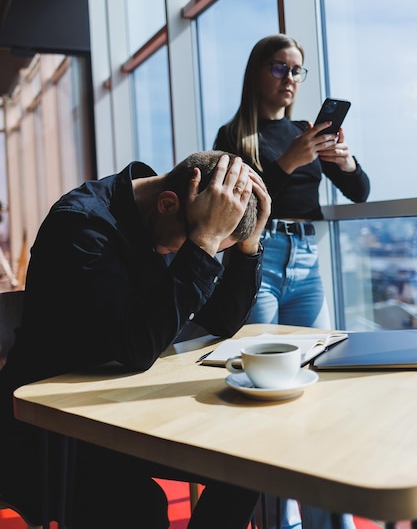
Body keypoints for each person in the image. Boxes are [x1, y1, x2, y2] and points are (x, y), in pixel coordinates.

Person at [0, 150, 271, 529]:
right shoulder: (81, 227)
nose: (187, 254)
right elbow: (136, 349)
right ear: (167, 203)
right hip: (51, 430)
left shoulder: (167, 218)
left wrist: (247, 246)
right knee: (138, 507)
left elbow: (222, 320)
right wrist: (203, 242)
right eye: (190, 245)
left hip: (125, 410)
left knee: (251, 466)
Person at [213, 34, 370, 529]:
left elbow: (361, 192)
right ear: (257, 72)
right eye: (279, 68)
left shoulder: (307, 131)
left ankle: (328, 518)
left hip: (306, 259)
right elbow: (246, 208)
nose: (289, 80)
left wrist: (344, 163)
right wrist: (289, 162)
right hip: (258, 257)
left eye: (297, 71)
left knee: (315, 379)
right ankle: (280, 518)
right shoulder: (234, 136)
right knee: (262, 386)